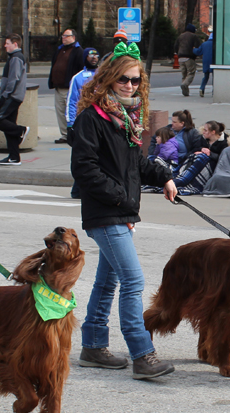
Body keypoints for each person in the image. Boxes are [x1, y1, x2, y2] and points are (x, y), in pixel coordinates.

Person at [71, 42, 177, 380]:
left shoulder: (126, 117)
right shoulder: (93, 118)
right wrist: (122, 199)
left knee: (109, 279)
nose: (130, 86)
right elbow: (85, 169)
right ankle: (142, 354)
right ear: (108, 79)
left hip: (119, 210)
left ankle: (92, 346)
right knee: (133, 280)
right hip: (105, 212)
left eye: (134, 80)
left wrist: (165, 177)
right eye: (123, 80)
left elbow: (136, 164)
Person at [144, 120, 230, 196]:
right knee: (196, 157)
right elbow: (194, 150)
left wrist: (209, 153)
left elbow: (222, 159)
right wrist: (201, 149)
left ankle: (181, 181)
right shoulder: (203, 139)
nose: (203, 132)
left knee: (202, 157)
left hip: (210, 168)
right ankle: (179, 178)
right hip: (197, 163)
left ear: (213, 132)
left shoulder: (224, 142)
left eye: (205, 130)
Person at [0, 34, 29, 166]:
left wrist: (6, 94)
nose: (5, 45)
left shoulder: (16, 58)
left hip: (11, 96)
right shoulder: (15, 57)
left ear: (15, 44)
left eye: (7, 43)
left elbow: (14, 78)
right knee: (8, 124)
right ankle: (14, 157)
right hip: (14, 96)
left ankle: (20, 131)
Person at [66, 47, 100, 199]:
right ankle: (77, 189)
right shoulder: (78, 78)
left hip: (100, 121)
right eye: (90, 55)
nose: (94, 58)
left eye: (96, 55)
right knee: (82, 156)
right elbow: (71, 102)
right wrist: (70, 125)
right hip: (82, 122)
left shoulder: (103, 75)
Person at [48, 29, 84, 143]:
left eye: (66, 36)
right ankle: (65, 135)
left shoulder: (78, 51)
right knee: (60, 111)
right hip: (58, 87)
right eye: (63, 36)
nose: (64, 38)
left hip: (69, 88)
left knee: (71, 111)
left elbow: (81, 70)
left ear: (73, 37)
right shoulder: (60, 50)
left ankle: (75, 133)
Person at [173, 24, 201, 96]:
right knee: (191, 72)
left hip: (180, 57)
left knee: (184, 75)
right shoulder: (193, 36)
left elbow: (175, 46)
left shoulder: (180, 36)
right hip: (189, 57)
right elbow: (198, 46)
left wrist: (177, 53)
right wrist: (196, 54)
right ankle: (184, 84)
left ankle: (186, 92)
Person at [193, 30, 213, 97]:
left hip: (206, 61)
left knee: (206, 77)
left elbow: (198, 52)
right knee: (214, 77)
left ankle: (202, 88)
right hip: (213, 61)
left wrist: (193, 49)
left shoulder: (204, 44)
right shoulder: (216, 44)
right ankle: (214, 90)